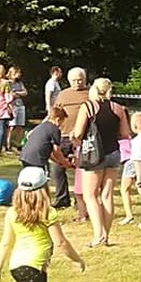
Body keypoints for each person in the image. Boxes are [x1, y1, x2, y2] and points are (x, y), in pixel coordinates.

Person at [0, 167, 85, 282]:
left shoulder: (12, 212)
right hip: (34, 269)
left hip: (16, 267)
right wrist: (77, 260)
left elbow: (5, 243)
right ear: (44, 189)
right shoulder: (47, 212)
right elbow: (61, 243)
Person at [71, 77, 130, 248]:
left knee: (90, 195)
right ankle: (106, 235)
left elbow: (78, 132)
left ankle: (98, 235)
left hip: (94, 155)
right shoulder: (118, 108)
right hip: (113, 153)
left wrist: (74, 137)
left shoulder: (88, 107)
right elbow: (125, 133)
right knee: (107, 195)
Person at [50, 68, 89, 216]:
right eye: (74, 80)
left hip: (82, 137)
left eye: (80, 80)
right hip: (63, 135)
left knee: (82, 170)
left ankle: (81, 200)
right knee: (57, 168)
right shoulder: (63, 94)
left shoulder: (89, 94)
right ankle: (62, 198)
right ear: (68, 80)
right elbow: (56, 112)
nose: (77, 83)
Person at [19, 107, 70, 172]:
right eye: (62, 122)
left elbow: (48, 152)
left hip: (26, 156)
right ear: (57, 119)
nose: (61, 124)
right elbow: (56, 151)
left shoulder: (42, 126)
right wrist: (65, 162)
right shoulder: (55, 130)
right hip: (37, 159)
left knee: (30, 175)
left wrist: (58, 162)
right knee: (41, 176)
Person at [6, 66, 29, 152]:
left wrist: (17, 93)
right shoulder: (7, 83)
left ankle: (18, 143)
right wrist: (14, 94)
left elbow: (25, 92)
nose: (19, 74)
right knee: (11, 126)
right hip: (13, 106)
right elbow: (9, 94)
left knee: (20, 125)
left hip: (20, 105)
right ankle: (8, 144)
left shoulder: (20, 83)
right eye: (18, 73)